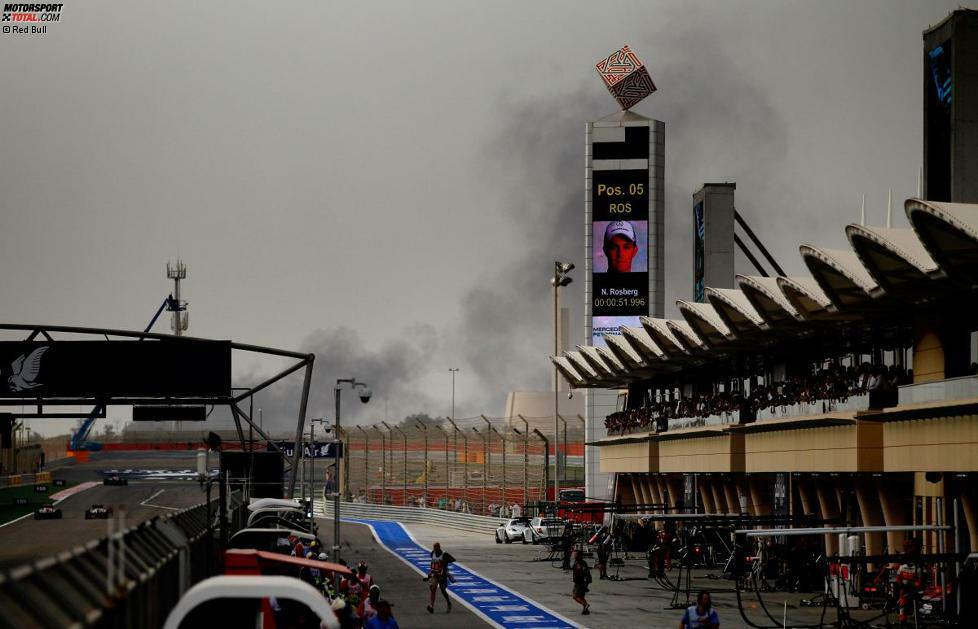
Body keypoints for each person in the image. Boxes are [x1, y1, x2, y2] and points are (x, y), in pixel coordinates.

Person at [425, 542, 453, 613]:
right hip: (435, 574)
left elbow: (453, 559)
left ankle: (449, 603)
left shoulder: (445, 554)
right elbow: (432, 563)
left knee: (442, 590)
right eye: (434, 548)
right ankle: (431, 606)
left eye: (436, 548)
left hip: (442, 575)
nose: (434, 549)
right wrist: (430, 573)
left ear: (439, 547)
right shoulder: (432, 553)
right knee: (432, 588)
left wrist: (444, 561)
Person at [571, 549, 592, 615]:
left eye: (576, 554)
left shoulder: (580, 563)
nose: (574, 555)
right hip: (581, 581)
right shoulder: (579, 562)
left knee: (575, 596)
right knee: (581, 597)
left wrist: (585, 583)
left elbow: (584, 573)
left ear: (579, 555)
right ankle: (585, 610)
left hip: (580, 582)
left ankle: (585, 604)